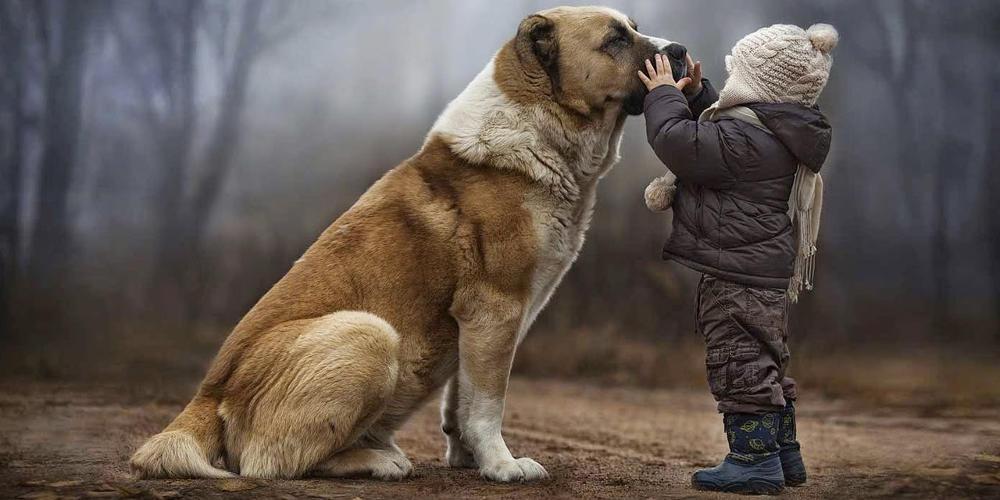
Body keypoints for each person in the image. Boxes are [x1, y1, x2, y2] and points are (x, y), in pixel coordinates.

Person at [637, 23, 838, 494]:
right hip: (760, 272)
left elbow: (677, 141)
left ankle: (753, 462)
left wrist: (663, 95)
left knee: (738, 362)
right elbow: (718, 131)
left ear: (758, 85)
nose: (729, 85)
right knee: (764, 360)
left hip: (737, 276)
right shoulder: (772, 133)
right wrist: (696, 94)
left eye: (736, 75)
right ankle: (783, 456)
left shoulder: (746, 144)